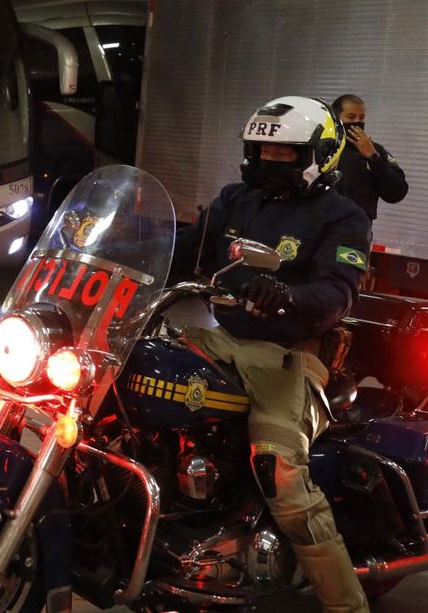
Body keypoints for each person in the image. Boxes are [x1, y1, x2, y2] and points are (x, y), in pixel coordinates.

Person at [173, 95, 372, 613]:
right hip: (224, 340)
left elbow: (337, 292)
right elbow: (188, 246)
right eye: (262, 151)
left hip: (292, 355)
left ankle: (346, 604)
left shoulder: (342, 216)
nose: (270, 161)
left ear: (318, 155)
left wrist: (289, 297)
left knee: (278, 468)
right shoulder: (236, 200)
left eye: (285, 153)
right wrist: (120, 242)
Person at [331, 93, 407, 222]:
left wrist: (373, 157)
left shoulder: (375, 150)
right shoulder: (323, 148)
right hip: (323, 226)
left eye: (361, 117)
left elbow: (397, 192)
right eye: (351, 117)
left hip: (358, 229)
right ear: (336, 119)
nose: (357, 122)